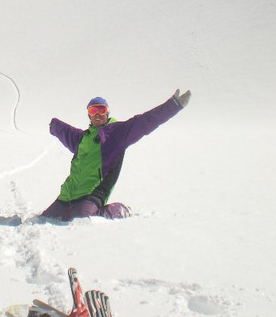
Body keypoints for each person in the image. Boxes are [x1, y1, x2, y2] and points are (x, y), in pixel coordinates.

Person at [41, 89, 191, 221]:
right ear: (89, 115)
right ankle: (70, 207)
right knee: (45, 219)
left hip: (93, 192)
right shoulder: (82, 139)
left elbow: (145, 122)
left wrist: (173, 105)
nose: (98, 114)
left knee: (82, 219)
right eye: (93, 111)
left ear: (107, 112)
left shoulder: (116, 134)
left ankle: (116, 210)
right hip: (68, 194)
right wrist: (53, 125)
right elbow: (65, 131)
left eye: (101, 110)